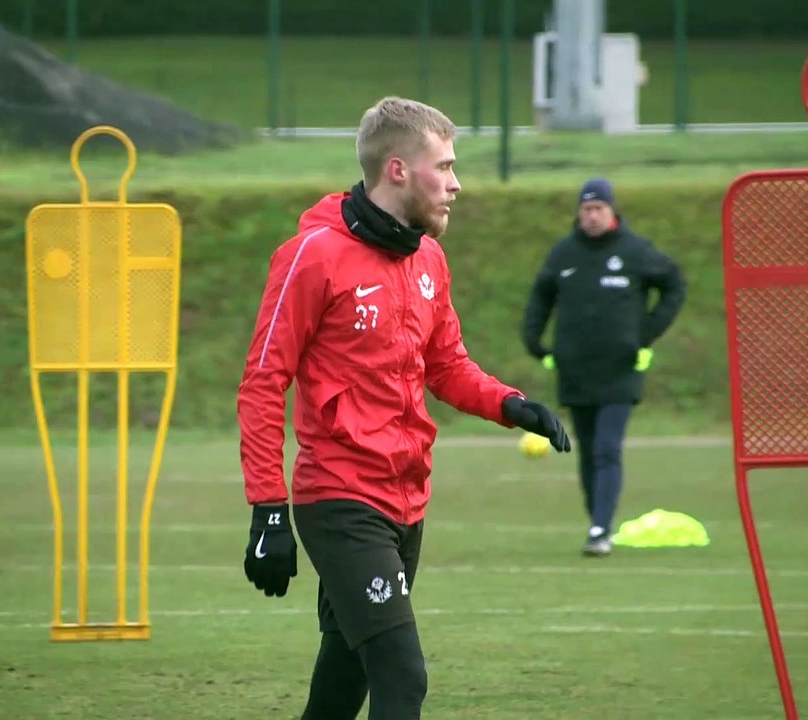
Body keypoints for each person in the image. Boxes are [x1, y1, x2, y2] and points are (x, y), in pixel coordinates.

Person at [236, 96, 572, 720]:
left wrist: (512, 405)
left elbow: (446, 365)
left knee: (342, 681)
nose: (456, 184)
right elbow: (262, 381)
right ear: (397, 170)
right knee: (402, 676)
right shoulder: (312, 256)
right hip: (339, 500)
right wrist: (267, 509)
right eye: (443, 168)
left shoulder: (427, 258)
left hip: (405, 498)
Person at [521, 178, 686, 557]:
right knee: (588, 450)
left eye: (599, 209)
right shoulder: (564, 254)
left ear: (611, 211)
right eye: (586, 210)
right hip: (576, 369)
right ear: (579, 214)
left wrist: (644, 334)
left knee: (608, 448)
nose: (592, 216)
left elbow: (675, 285)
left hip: (619, 368)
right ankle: (597, 520)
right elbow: (541, 297)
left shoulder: (635, 251)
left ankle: (600, 527)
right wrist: (535, 340)